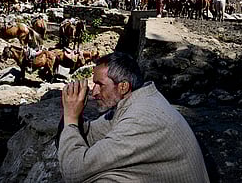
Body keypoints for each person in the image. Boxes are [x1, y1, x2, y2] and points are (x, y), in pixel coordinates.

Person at [58, 52, 210, 183]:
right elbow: (91, 134)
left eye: (100, 85)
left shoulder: (140, 119)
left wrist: (70, 117)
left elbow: (74, 171)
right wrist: (74, 112)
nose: (94, 92)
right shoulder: (135, 101)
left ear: (123, 86)